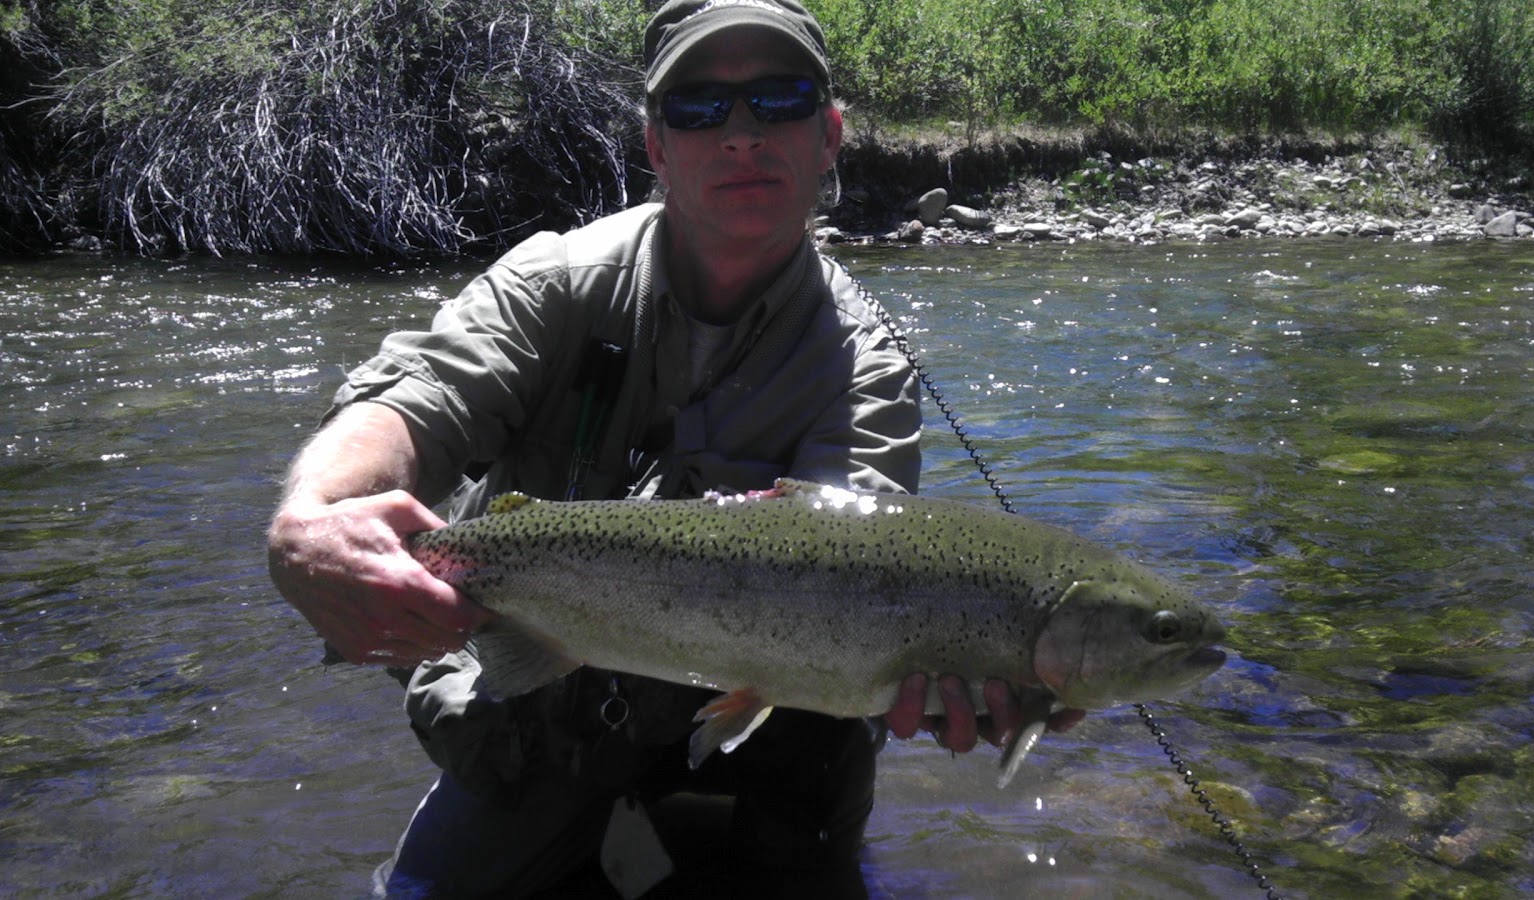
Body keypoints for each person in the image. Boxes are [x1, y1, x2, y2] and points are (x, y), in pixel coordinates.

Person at [266, 0, 1081, 895]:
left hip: (767, 716)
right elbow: (413, 399)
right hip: (540, 703)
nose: (742, 134)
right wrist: (318, 514)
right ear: (656, 145)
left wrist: (968, 663)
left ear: (829, 135)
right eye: (700, 106)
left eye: (780, 99)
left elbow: (868, 565)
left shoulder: (866, 363)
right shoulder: (555, 280)